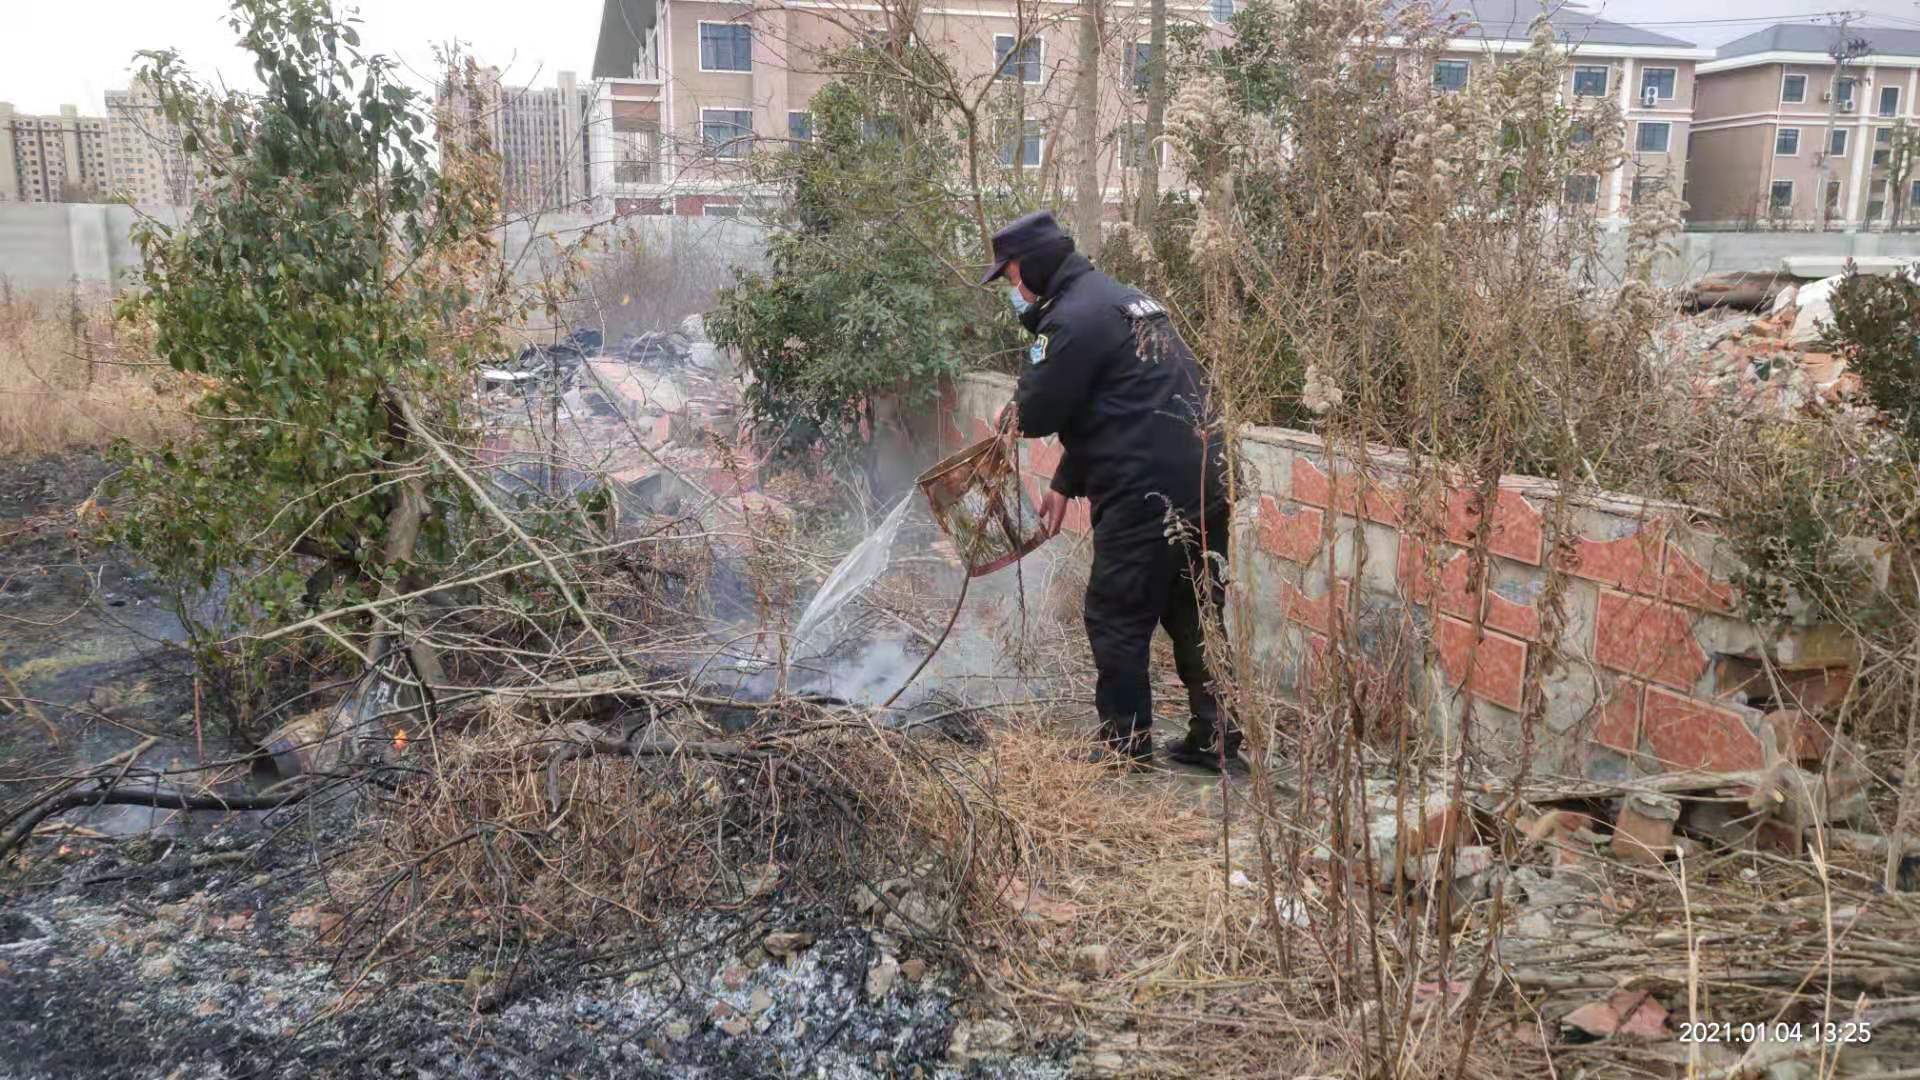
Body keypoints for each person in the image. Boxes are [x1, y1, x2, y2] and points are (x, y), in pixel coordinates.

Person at [982, 210, 1241, 772]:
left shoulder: (1072, 320)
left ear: (1032, 265)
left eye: (1011, 277)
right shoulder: (1122, 300)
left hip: (1146, 492)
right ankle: (1217, 740)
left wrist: (1006, 416)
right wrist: (1064, 483)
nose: (1012, 290)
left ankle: (1124, 750)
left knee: (1115, 614)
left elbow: (1037, 410)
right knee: (1196, 610)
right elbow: (1122, 407)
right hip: (1204, 477)